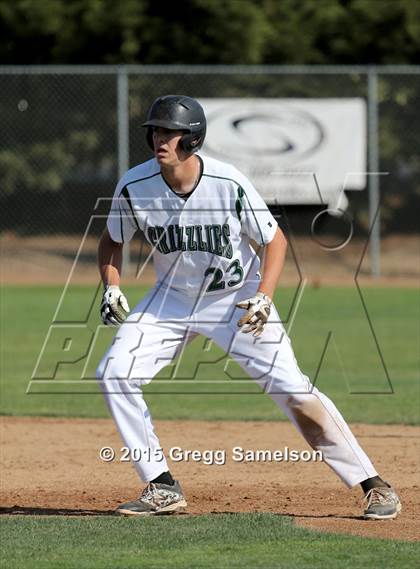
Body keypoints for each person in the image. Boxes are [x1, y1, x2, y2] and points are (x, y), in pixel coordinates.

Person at [96, 95, 401, 519]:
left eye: (170, 132)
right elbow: (112, 239)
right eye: (156, 131)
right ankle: (161, 485)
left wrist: (265, 295)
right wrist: (111, 286)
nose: (160, 139)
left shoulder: (228, 183)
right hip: (171, 299)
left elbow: (274, 241)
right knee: (113, 372)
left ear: (194, 138)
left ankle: (374, 484)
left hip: (235, 301)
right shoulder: (135, 184)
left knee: (294, 391)